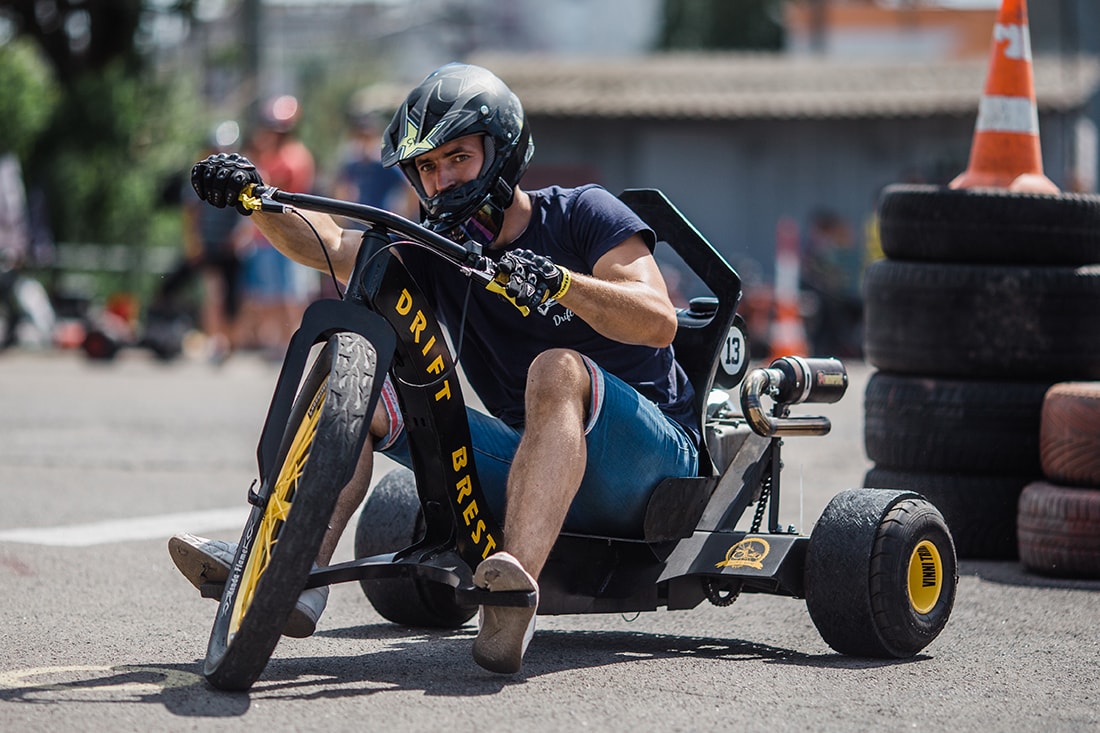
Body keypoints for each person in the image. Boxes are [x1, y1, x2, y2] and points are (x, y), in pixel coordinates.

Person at [172, 63, 699, 674]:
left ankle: (511, 596)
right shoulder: (437, 248)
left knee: (555, 368)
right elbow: (331, 244)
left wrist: (557, 283)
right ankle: (295, 573)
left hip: (655, 468)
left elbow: (657, 318)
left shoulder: (584, 212)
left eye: (458, 158)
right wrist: (254, 199)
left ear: (500, 153)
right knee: (366, 400)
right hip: (536, 461)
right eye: (427, 166)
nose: (442, 179)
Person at [235, 95, 319, 357]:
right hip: (265, 236)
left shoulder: (296, 156)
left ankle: (293, 341)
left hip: (290, 231)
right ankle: (277, 342)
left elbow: (279, 186)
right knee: (268, 294)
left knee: (292, 294)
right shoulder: (269, 155)